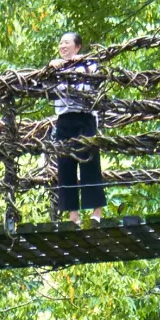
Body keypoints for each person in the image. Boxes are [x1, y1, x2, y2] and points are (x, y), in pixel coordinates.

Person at [51, 33, 106, 223]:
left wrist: (81, 62)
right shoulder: (55, 68)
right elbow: (44, 87)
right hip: (64, 120)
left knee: (90, 162)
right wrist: (52, 66)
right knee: (65, 165)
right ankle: (73, 215)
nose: (63, 46)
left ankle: (96, 213)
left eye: (67, 42)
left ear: (78, 46)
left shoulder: (90, 65)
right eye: (60, 43)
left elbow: (98, 78)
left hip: (85, 118)